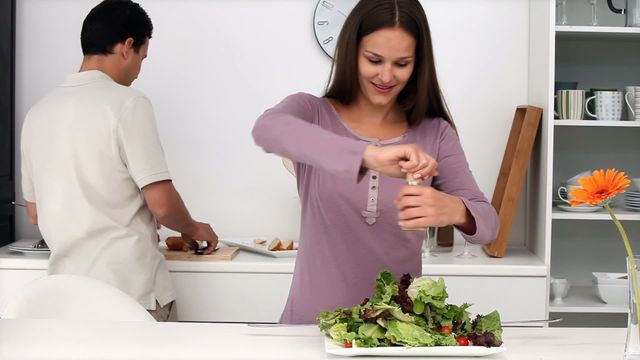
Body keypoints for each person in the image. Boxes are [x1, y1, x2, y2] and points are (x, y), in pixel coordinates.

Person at [252, 0, 499, 324]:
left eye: (401, 63)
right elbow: (266, 129)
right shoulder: (312, 113)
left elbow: (489, 226)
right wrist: (369, 156)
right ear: (351, 52)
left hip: (396, 334)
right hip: (310, 330)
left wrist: (454, 209)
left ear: (418, 65)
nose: (386, 75)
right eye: (374, 59)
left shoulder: (434, 132)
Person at [20, 0, 218, 322]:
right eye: (142, 56)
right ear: (127, 46)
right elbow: (163, 206)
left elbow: (35, 211)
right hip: (129, 295)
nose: (139, 69)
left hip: (65, 299)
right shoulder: (128, 103)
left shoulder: (38, 113)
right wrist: (196, 228)